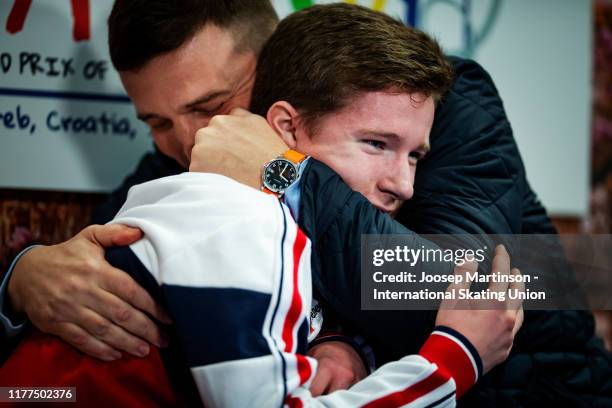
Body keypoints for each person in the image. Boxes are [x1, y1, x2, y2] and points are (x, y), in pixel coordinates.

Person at [2, 0, 611, 405]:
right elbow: (96, 275)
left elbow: (450, 292)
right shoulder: (180, 161)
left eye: (211, 105)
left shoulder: (431, 99)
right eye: (158, 121)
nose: (191, 142)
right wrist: (20, 279)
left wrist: (279, 171)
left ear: (273, 70)